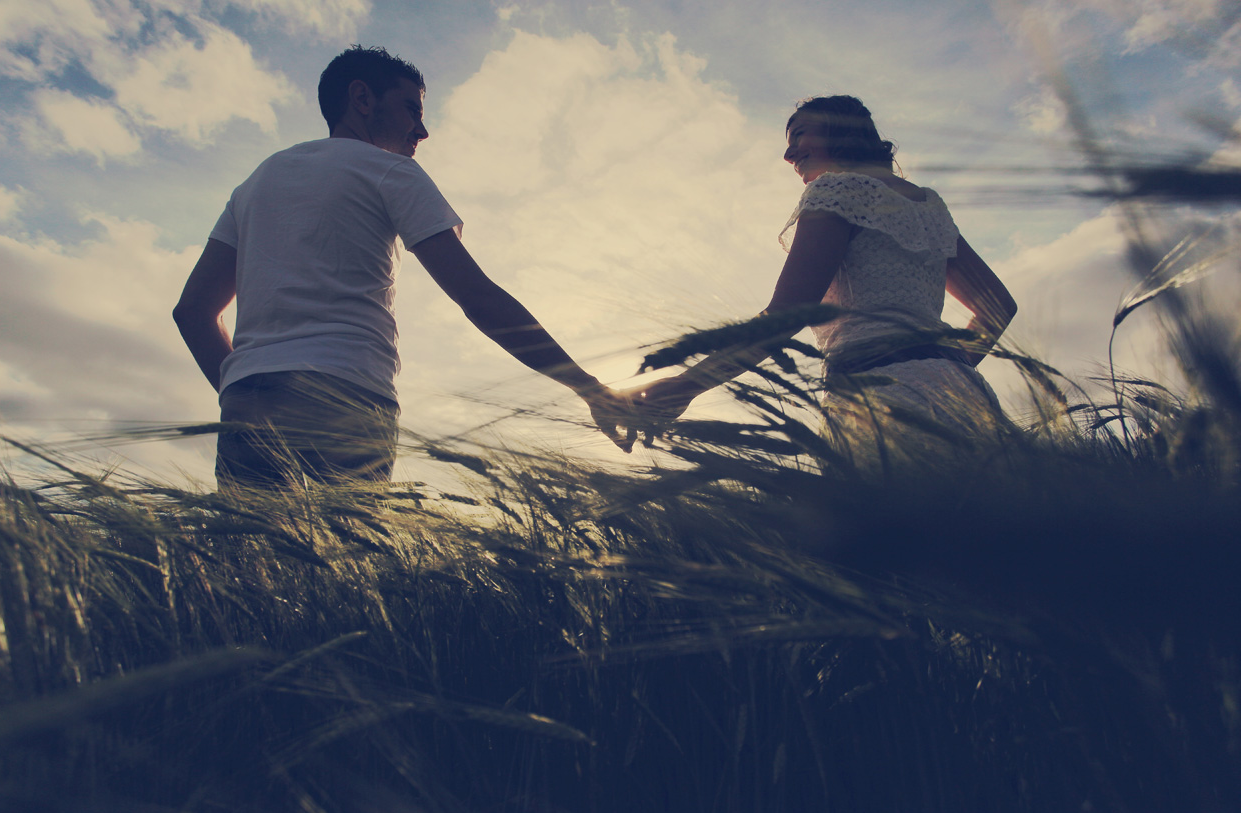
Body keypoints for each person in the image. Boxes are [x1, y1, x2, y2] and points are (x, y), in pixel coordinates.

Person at [174, 46, 623, 488]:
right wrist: (588, 387)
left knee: (249, 561)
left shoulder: (257, 181)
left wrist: (243, 388)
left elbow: (192, 312)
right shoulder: (389, 171)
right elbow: (478, 298)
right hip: (346, 396)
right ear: (362, 98)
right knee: (348, 558)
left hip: (248, 403)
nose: (422, 130)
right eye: (412, 109)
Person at [622, 95, 1017, 464]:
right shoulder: (929, 204)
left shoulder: (837, 190)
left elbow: (788, 315)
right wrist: (944, 364)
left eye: (798, 135)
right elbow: (999, 306)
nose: (788, 152)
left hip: (881, 399)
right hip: (965, 393)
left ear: (839, 128)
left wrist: (686, 386)